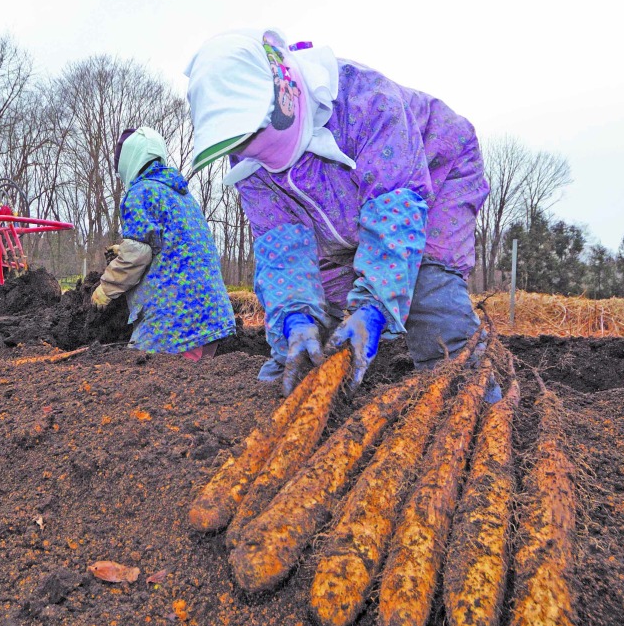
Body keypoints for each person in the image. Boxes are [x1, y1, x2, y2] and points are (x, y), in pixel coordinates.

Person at [184, 29, 498, 399]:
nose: (251, 147)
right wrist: (295, 317)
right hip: (338, 217)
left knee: (429, 293)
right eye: (242, 143)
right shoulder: (249, 167)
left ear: (284, 90)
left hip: (433, 173)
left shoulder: (368, 103)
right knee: (318, 322)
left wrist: (375, 307)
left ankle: (471, 399)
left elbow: (395, 216)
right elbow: (283, 248)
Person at [91, 126, 236, 359]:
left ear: (128, 162)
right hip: (212, 313)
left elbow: (136, 255)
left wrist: (106, 288)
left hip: (176, 321)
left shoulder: (140, 192)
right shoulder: (182, 195)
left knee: (141, 371)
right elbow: (173, 243)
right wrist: (129, 247)